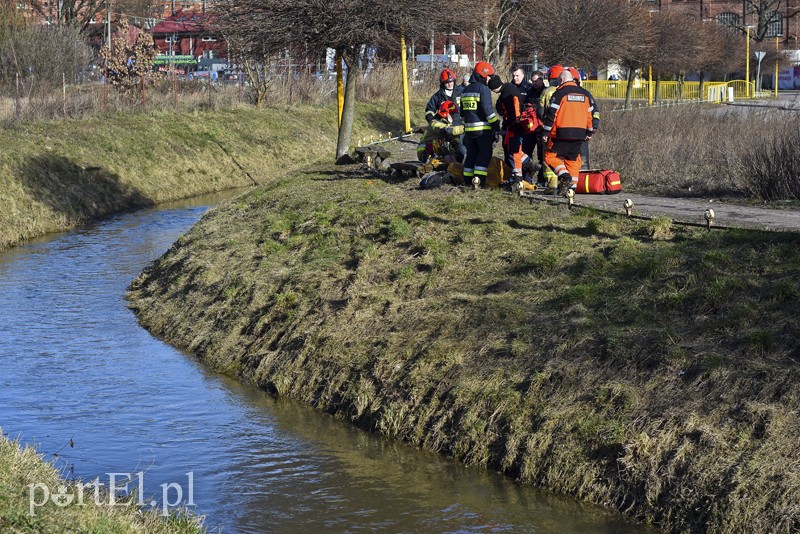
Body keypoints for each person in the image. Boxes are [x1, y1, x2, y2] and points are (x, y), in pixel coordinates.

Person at [541, 68, 596, 195]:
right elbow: (590, 115)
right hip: (580, 134)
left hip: (561, 133)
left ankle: (565, 177)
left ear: (561, 79)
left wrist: (545, 132)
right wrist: (589, 131)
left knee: (550, 157)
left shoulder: (559, 93)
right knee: (573, 160)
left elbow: (551, 115)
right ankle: (571, 189)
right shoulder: (585, 94)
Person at [460, 61, 501, 187]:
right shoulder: (483, 89)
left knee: (471, 155)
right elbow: (488, 112)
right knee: (484, 155)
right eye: (489, 76)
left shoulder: (465, 90)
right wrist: (496, 126)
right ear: (483, 75)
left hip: (469, 131)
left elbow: (462, 113)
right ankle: (479, 181)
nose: (490, 79)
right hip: (483, 131)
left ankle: (467, 181)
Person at [496, 77, 536, 185]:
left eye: (517, 75)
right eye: (513, 76)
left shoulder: (510, 92)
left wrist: (512, 123)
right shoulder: (509, 90)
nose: (515, 78)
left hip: (516, 126)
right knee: (512, 151)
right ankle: (527, 166)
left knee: (515, 151)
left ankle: (519, 176)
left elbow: (514, 111)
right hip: (513, 126)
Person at [535, 64, 564, 190]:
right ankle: (565, 183)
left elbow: (540, 112)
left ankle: (552, 185)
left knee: (548, 156)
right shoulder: (566, 91)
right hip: (565, 131)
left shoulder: (546, 92)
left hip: (549, 131)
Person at [566, 66, 600, 170]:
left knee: (571, 159)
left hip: (566, 132)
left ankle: (574, 180)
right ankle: (579, 180)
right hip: (582, 132)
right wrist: (593, 128)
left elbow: (594, 111)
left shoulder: (561, 93)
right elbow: (595, 111)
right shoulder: (585, 94)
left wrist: (593, 127)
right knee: (581, 159)